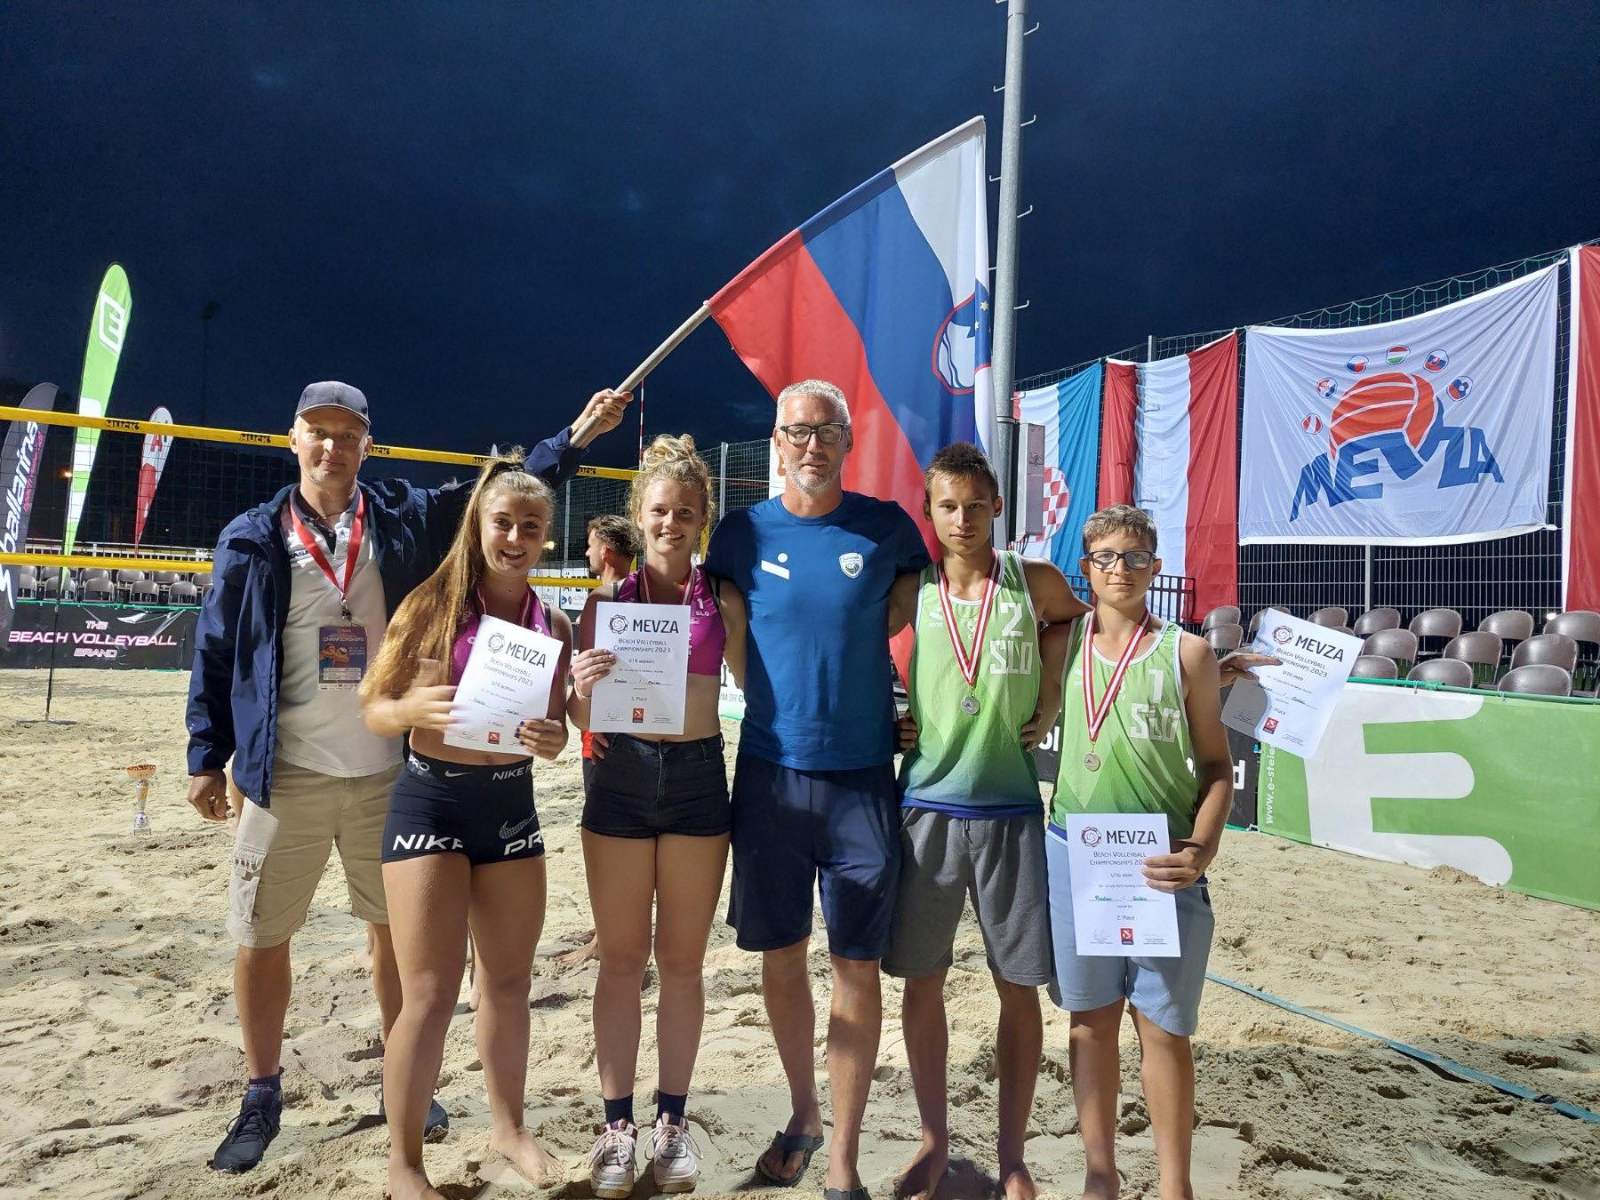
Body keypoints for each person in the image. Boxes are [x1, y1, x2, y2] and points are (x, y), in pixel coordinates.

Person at [185, 381, 628, 1173]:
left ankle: (410, 1093)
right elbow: (217, 649)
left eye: (347, 434)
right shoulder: (253, 536)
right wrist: (205, 754)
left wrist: (577, 436)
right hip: (286, 769)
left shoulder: (399, 517)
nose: (332, 446)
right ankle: (261, 1091)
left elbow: (501, 494)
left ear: (368, 444)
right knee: (263, 938)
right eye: (319, 432)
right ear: (293, 438)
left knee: (397, 945)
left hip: (388, 773)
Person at [704, 379, 929, 1200]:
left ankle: (843, 1160)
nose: (810, 444)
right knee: (783, 954)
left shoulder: (887, 530)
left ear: (848, 440)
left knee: (856, 965)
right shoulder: (741, 534)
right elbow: (725, 635)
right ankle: (803, 1111)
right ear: (776, 441)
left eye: (825, 430)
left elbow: (916, 622)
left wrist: (914, 713)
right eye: (796, 431)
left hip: (862, 778)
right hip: (772, 773)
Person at [359, 454, 571, 1200]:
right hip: (432, 802)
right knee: (428, 992)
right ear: (478, 526)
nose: (515, 538)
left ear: (546, 535)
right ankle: (405, 1166)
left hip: (510, 803)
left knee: (508, 983)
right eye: (503, 523)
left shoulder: (551, 623)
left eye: (530, 527)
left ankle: (509, 1129)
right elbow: (373, 705)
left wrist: (555, 738)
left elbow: (555, 731)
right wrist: (407, 711)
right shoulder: (432, 604)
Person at [885, 443, 1088, 1200]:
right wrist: (887, 717)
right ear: (929, 511)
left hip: (1010, 809)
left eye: (975, 505)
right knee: (923, 982)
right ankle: (933, 1140)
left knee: (1017, 987)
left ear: (998, 507)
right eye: (948, 506)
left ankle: (1012, 1156)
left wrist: (1053, 697)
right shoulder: (913, 589)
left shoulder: (1033, 582)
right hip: (927, 806)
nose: (962, 519)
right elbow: (848, 646)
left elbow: (1075, 624)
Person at [1047, 504, 1233, 1200]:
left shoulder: (1188, 654)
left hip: (1161, 862)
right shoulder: (1060, 644)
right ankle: (1101, 1175)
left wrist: (1202, 848)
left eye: (1134, 557)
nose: (1119, 569)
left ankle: (1176, 1185)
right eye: (1105, 557)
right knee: (1089, 1023)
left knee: (1162, 1028)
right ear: (1086, 568)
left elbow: (1217, 769)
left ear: (1156, 567)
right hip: (1076, 852)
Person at [566, 434, 730, 1197]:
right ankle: (616, 1127)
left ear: (702, 521)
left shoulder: (720, 597)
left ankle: (671, 1121)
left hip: (697, 776)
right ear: (640, 514)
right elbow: (579, 716)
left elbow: (760, 678)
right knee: (623, 960)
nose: (671, 523)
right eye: (660, 510)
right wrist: (579, 688)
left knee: (685, 963)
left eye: (686, 512)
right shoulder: (605, 605)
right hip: (622, 777)